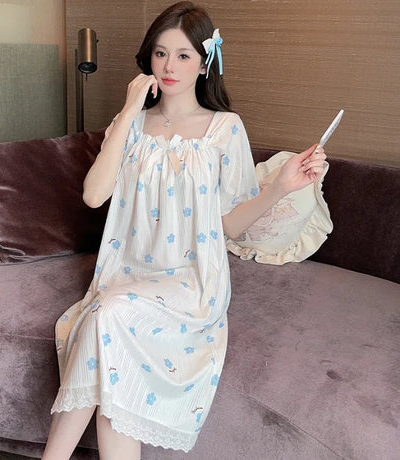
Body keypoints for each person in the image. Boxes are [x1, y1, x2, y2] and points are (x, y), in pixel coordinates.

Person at [42, 2, 326, 459]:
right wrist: (129, 110)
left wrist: (281, 187)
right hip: (125, 273)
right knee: (113, 350)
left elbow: (231, 225)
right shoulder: (131, 124)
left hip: (191, 283)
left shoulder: (225, 128)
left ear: (205, 63)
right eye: (160, 53)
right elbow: (94, 195)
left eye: (183, 55)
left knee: (106, 316)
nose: (169, 66)